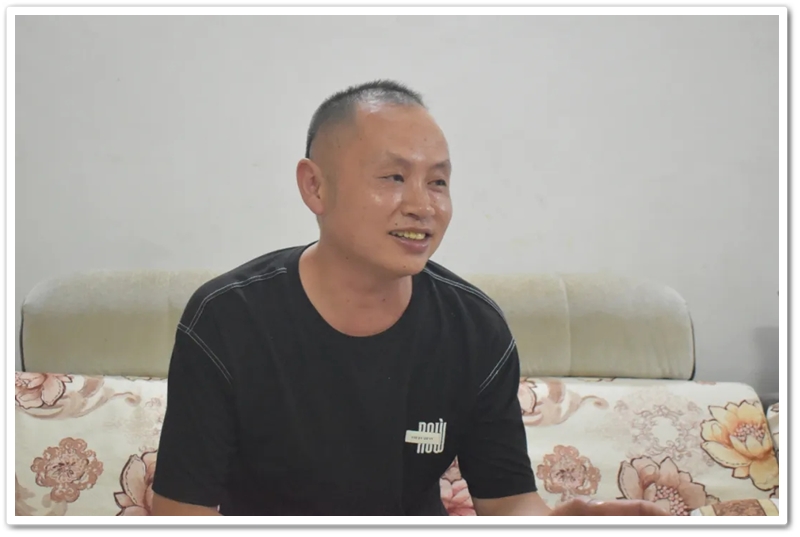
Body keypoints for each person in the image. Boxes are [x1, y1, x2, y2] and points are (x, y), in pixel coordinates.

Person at [150, 80, 668, 517]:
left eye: (438, 182)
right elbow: (182, 514)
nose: (423, 206)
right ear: (315, 187)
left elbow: (508, 502)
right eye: (394, 177)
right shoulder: (227, 320)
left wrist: (560, 524)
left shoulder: (474, 329)